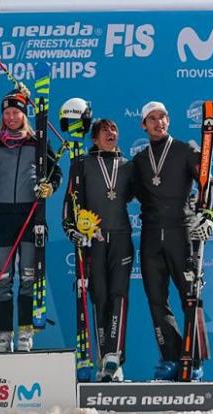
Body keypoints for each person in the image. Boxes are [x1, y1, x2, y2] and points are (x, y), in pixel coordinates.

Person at [0, 89, 62, 353]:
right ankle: (2, 334)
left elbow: (56, 172)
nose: (11, 117)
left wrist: (49, 188)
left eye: (16, 112)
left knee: (28, 277)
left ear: (24, 114)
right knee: (2, 278)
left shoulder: (38, 142)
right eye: (7, 113)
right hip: (1, 216)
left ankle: (24, 333)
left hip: (31, 215)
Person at [133, 101, 213, 381]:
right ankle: (170, 358)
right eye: (152, 119)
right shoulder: (140, 159)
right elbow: (120, 193)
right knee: (157, 301)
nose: (158, 123)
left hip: (180, 233)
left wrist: (207, 215)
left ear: (168, 121)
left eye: (163, 117)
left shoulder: (185, 150)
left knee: (190, 299)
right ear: (143, 125)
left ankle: (193, 361)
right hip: (150, 236)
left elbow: (210, 183)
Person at [60, 103, 135, 381]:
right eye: (105, 130)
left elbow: (150, 196)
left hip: (122, 238)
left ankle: (115, 354)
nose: (111, 133)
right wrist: (71, 229)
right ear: (94, 138)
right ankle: (106, 360)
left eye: (114, 129)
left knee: (119, 294)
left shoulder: (128, 166)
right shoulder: (81, 164)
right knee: (99, 296)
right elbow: (70, 202)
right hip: (94, 241)